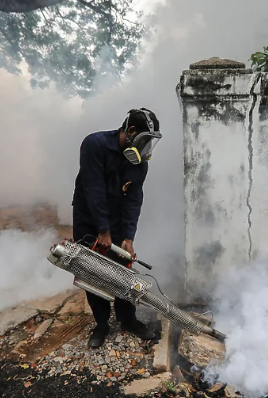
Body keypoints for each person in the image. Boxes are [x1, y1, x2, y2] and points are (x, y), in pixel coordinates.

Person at [72, 108, 162, 349]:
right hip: (88, 218)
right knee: (92, 269)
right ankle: (101, 324)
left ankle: (127, 319)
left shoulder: (139, 165)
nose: (146, 148)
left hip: (117, 222)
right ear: (131, 132)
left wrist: (129, 237)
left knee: (123, 269)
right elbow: (93, 189)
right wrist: (102, 231)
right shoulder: (94, 145)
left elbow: (134, 199)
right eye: (145, 140)